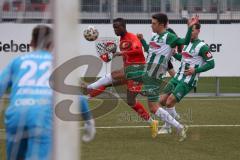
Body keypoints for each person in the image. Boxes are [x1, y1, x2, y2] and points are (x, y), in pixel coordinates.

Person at [82, 18, 158, 137]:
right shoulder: (122, 40)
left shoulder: (132, 37)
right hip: (130, 70)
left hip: (138, 70)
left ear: (123, 27)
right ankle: (152, 122)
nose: (115, 30)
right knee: (129, 100)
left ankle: (89, 88)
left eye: (117, 27)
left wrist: (122, 53)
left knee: (113, 75)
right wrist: (113, 52)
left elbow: (138, 50)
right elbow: (126, 54)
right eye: (114, 27)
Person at [139, 13, 199, 140]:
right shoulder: (154, 36)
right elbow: (149, 50)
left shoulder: (170, 37)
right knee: (153, 107)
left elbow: (185, 41)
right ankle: (176, 124)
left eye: (154, 23)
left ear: (162, 25)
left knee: (154, 107)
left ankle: (178, 126)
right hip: (147, 72)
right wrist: (142, 40)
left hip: (154, 74)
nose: (151, 25)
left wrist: (190, 27)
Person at [0, 25, 53, 160]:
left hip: (15, 115)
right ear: (52, 44)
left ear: (31, 43)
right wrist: (88, 120)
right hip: (40, 116)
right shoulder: (56, 63)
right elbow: (76, 97)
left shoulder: (17, 61)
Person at [159, 22, 215, 134]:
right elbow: (184, 59)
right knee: (162, 100)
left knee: (169, 102)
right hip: (177, 77)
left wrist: (195, 70)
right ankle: (175, 117)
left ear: (198, 31)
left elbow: (211, 64)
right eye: (190, 30)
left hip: (188, 80)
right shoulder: (187, 44)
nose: (191, 32)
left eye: (193, 30)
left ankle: (167, 127)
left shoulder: (202, 46)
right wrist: (175, 54)